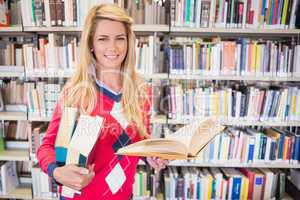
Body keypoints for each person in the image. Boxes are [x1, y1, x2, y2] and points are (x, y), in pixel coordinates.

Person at [37, 3, 168, 200]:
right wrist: (56, 172)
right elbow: (45, 147)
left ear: (128, 43)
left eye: (120, 39)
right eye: (103, 39)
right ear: (91, 44)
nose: (112, 47)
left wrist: (150, 155)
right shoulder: (75, 93)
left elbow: (138, 140)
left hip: (124, 195)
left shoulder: (141, 92)